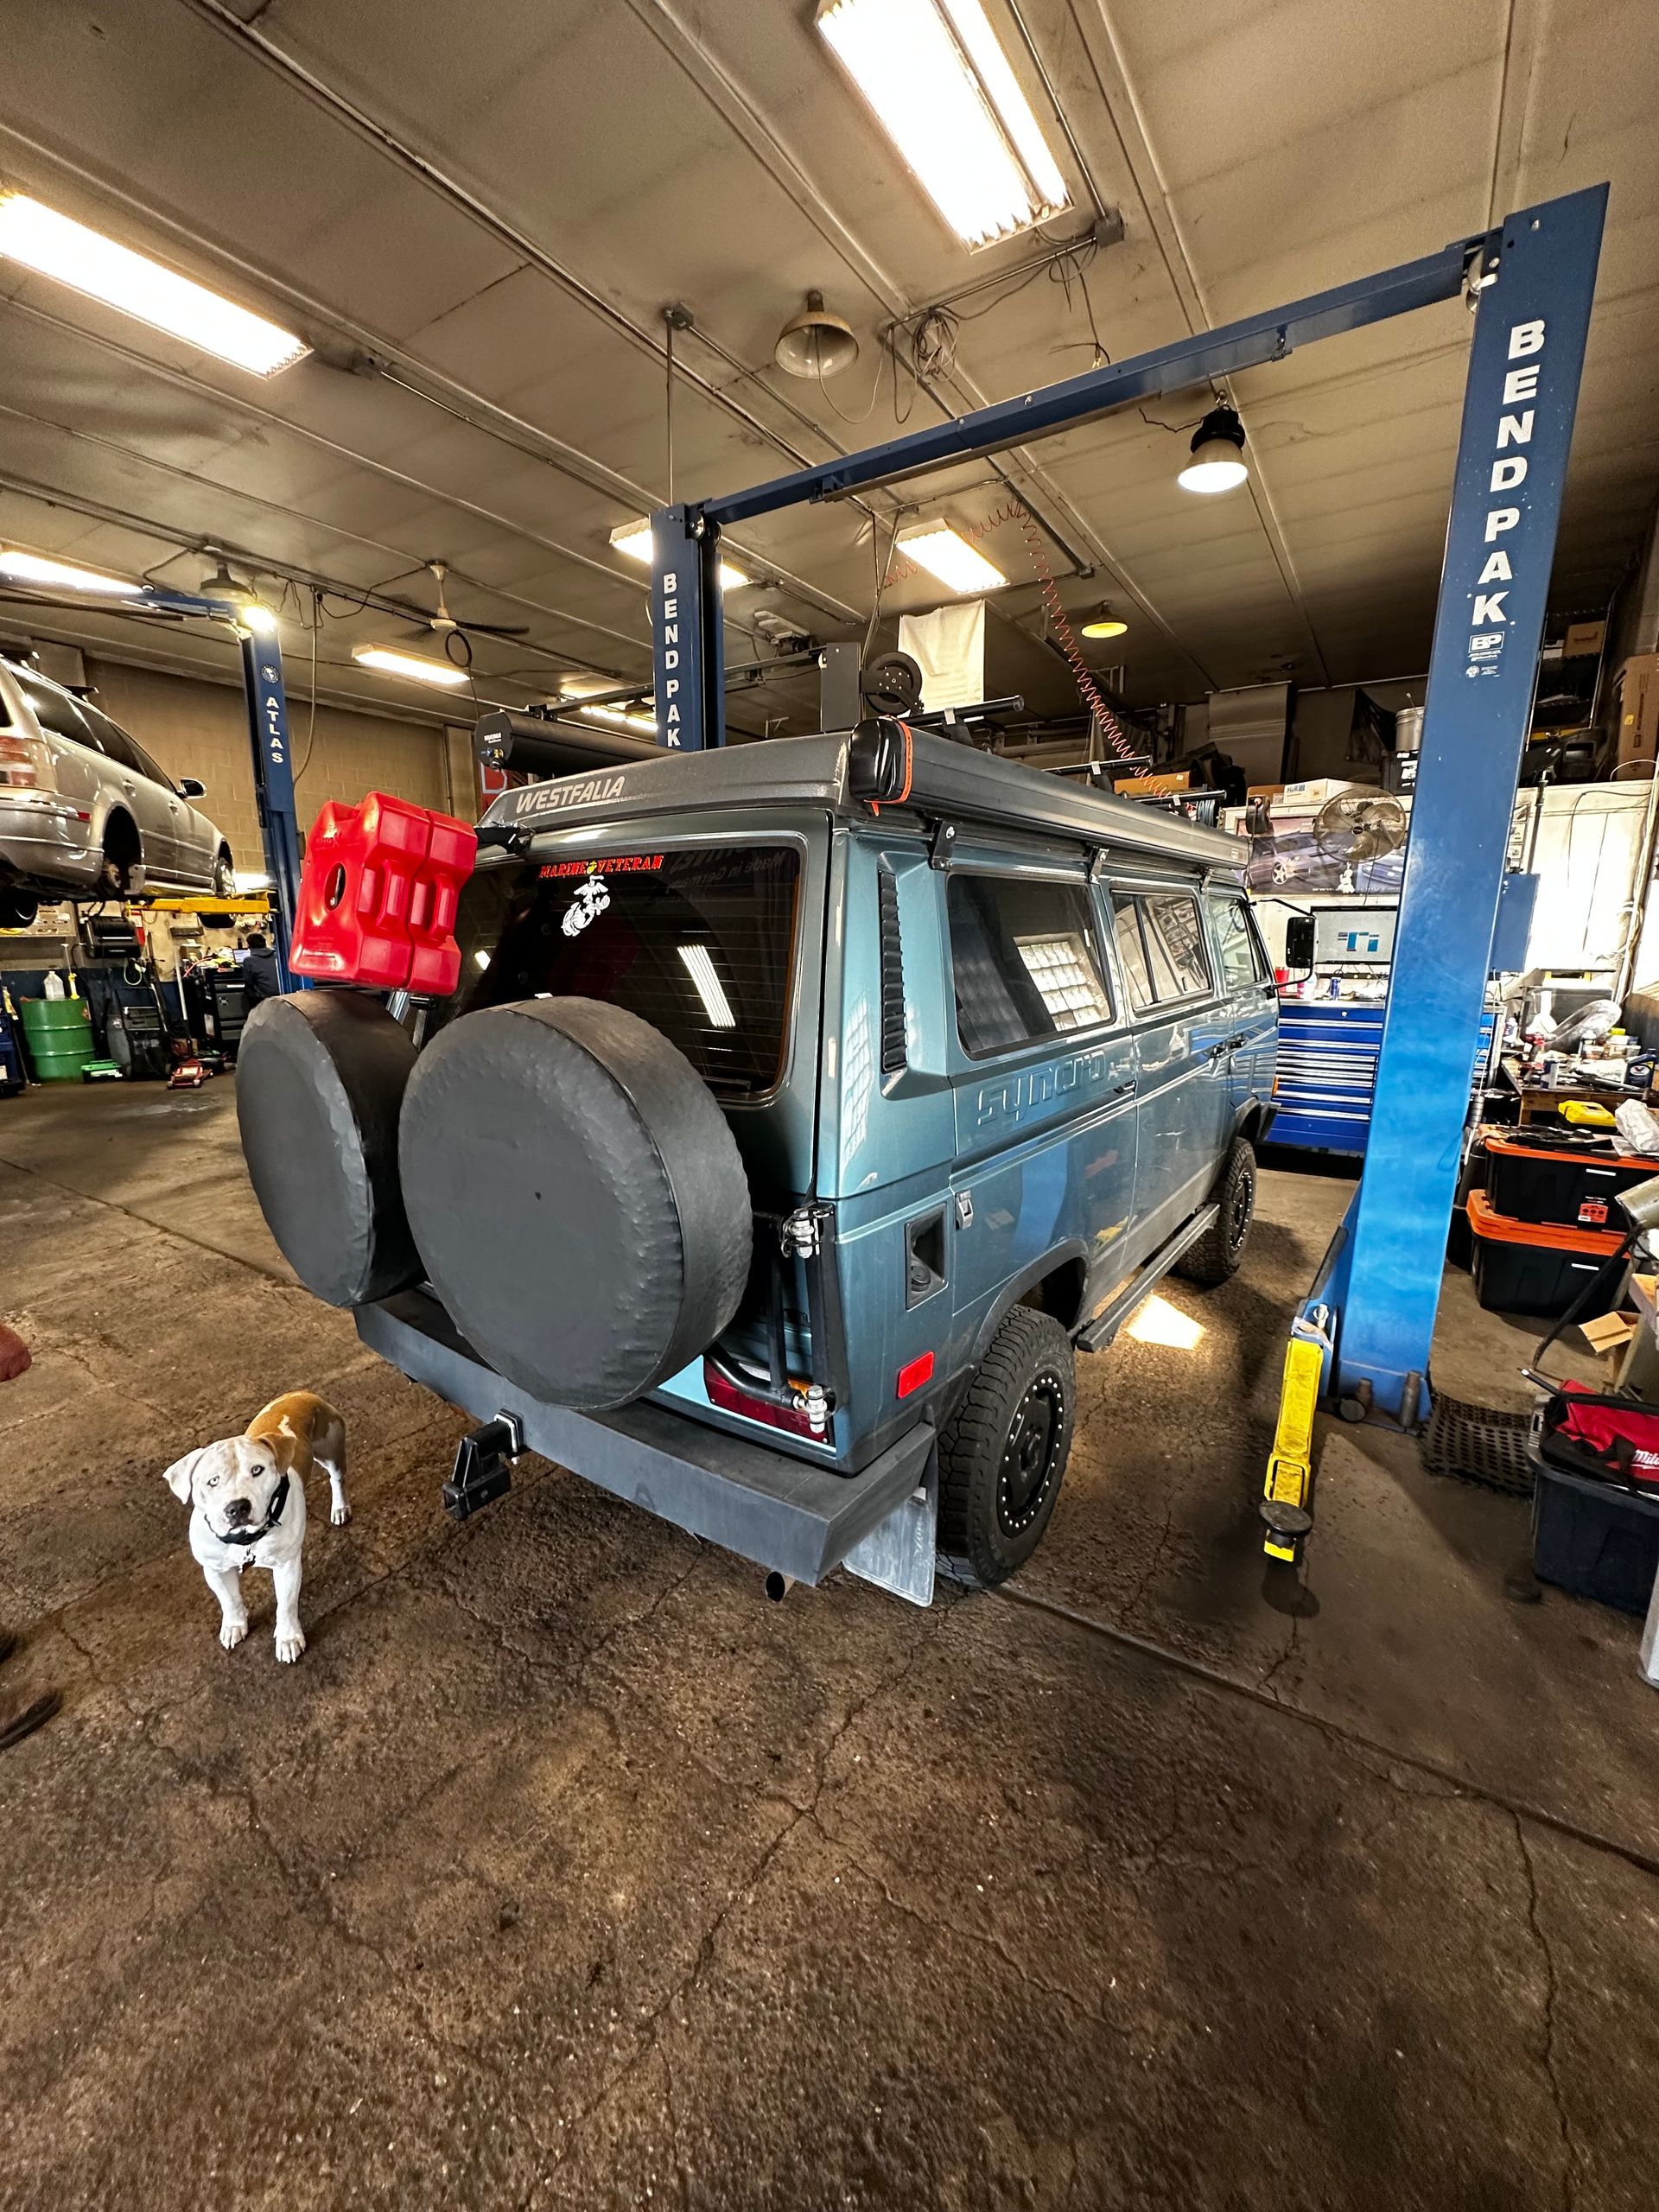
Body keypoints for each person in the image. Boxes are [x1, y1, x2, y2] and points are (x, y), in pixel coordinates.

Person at [241, 931, 281, 1008]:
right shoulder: (277, 955)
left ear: (249, 946)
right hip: (283, 996)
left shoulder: (249, 961)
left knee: (248, 989)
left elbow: (248, 982)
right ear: (264, 943)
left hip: (264, 999)